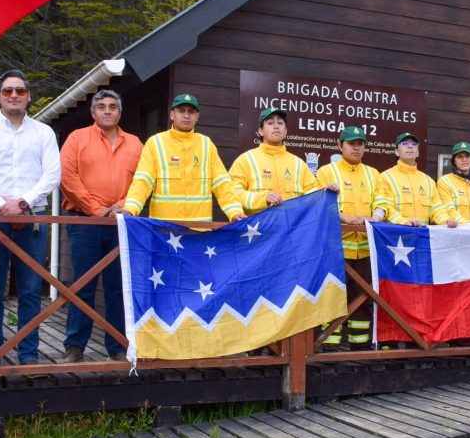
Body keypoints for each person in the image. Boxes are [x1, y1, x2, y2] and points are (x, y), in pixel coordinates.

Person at [0, 69, 60, 365]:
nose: (14, 95)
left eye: (19, 91)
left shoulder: (44, 133)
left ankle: (28, 354)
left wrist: (21, 203)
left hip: (32, 220)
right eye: (8, 91)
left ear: (28, 96)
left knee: (31, 290)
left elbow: (53, 174)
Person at [58, 90, 143, 363]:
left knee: (118, 287)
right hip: (85, 222)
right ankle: (75, 347)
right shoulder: (77, 138)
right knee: (82, 284)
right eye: (102, 107)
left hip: (121, 222)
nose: (107, 111)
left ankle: (117, 346)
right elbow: (68, 178)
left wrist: (123, 205)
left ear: (120, 113)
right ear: (94, 113)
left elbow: (144, 179)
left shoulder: (135, 144)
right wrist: (96, 209)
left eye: (113, 107)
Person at [124, 94, 245, 222]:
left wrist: (235, 212)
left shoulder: (206, 144)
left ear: (197, 117)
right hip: (164, 229)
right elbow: (143, 181)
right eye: (181, 111)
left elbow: (222, 184)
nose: (186, 116)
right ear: (172, 115)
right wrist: (131, 209)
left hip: (198, 229)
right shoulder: (155, 143)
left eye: (191, 112)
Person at [315, 126, 381, 350]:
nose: (356, 147)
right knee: (332, 298)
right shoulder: (326, 171)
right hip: (335, 250)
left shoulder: (373, 174)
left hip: (365, 250)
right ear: (339, 145)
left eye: (360, 143)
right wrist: (346, 218)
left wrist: (375, 216)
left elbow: (382, 202)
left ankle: (359, 348)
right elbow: (320, 203)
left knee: (361, 299)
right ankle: (329, 346)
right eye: (351, 143)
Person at [229, 108, 320, 215]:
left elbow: (314, 196)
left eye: (280, 123)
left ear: (285, 131)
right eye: (270, 123)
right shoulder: (245, 160)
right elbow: (233, 193)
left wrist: (326, 192)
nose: (276, 126)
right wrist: (263, 198)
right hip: (258, 229)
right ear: (260, 131)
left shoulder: (299, 164)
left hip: (291, 229)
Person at [373, 132, 458, 228]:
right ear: (396, 152)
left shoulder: (428, 181)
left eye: (414, 144)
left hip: (421, 238)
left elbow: (437, 208)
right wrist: (404, 222)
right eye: (404, 144)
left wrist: (445, 220)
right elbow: (386, 207)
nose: (410, 147)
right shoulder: (385, 177)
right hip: (396, 237)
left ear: (417, 152)